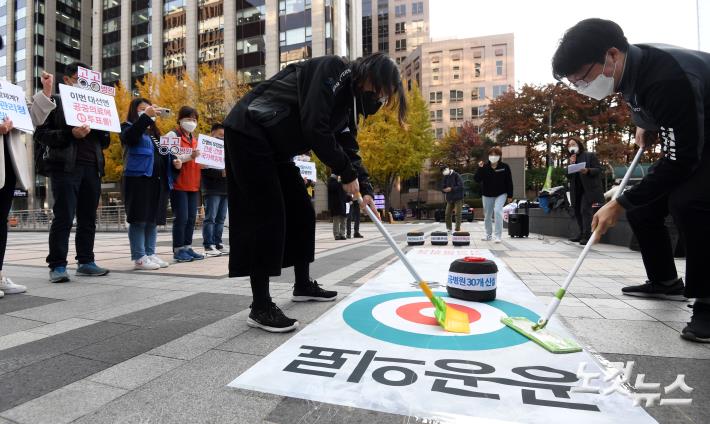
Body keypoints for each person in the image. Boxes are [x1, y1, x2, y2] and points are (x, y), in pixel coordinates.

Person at [552, 18, 710, 342]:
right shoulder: (631, 73)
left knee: (690, 202)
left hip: (703, 142)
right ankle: (665, 280)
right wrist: (646, 123)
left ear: (611, 55)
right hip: (696, 135)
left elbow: (682, 161)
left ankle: (707, 306)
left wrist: (618, 203)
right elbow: (655, 111)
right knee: (644, 206)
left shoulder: (666, 78)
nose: (583, 87)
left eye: (583, 78)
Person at [223, 52, 405, 332]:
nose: (379, 97)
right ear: (370, 75)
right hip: (249, 131)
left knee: (302, 213)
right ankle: (260, 306)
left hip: (276, 147)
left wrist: (364, 186)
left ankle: (303, 284)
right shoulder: (335, 69)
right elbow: (315, 126)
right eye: (380, 89)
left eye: (384, 95)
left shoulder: (349, 104)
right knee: (267, 216)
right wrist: (345, 172)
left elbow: (347, 145)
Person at [34, 62, 111, 283]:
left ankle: (86, 261)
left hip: (92, 168)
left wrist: (102, 128)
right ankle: (57, 265)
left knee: (88, 218)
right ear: (67, 79)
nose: (84, 84)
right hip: (65, 167)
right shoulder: (56, 102)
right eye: (80, 79)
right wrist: (71, 134)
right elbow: (41, 134)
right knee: (64, 216)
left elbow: (103, 142)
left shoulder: (97, 103)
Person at [0, 70, 57, 296]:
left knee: (0, 222)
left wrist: (46, 91)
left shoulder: (8, 88)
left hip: (8, 166)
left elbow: (32, 118)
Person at [120, 98, 174, 270]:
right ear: (133, 110)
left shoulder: (154, 133)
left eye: (149, 108)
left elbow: (162, 156)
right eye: (142, 109)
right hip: (138, 179)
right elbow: (129, 138)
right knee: (138, 219)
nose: (146, 111)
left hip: (156, 180)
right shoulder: (127, 126)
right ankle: (139, 257)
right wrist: (146, 118)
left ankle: (150, 253)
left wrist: (176, 162)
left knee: (152, 219)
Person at [165, 106, 204, 263]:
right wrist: (190, 156)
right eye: (188, 119)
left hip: (193, 184)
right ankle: (178, 249)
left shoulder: (195, 140)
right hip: (178, 184)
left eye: (194, 120)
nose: (191, 122)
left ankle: (187, 246)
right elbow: (168, 156)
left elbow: (198, 161)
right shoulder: (172, 135)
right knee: (181, 217)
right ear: (180, 119)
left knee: (191, 218)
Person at [566, 137, 604, 245]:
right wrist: (571, 164)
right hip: (575, 190)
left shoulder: (589, 156)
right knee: (577, 211)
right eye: (569, 145)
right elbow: (567, 175)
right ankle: (581, 233)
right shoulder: (571, 159)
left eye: (573, 144)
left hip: (588, 190)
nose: (571, 147)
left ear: (578, 145)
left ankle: (587, 236)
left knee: (585, 211)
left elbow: (598, 170)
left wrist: (587, 170)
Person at [474, 147, 513, 243]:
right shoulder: (485, 167)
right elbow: (477, 179)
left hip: (501, 193)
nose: (493, 157)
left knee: (498, 211)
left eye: (495, 155)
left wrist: (510, 195)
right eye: (491, 154)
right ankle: (488, 234)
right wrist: (480, 168)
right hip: (487, 194)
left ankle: (498, 236)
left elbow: (509, 181)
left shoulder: (505, 167)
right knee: (487, 215)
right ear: (488, 156)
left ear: (499, 156)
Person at [201, 123, 228, 257]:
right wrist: (221, 173)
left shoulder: (227, 149)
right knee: (210, 217)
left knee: (221, 218)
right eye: (220, 135)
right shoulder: (206, 147)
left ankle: (218, 242)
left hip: (225, 188)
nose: (222, 138)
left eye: (224, 136)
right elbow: (203, 168)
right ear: (212, 134)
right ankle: (208, 244)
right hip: (211, 188)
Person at [440, 166, 464, 233]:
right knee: (447, 213)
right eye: (442, 172)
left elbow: (461, 186)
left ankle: (457, 229)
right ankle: (449, 228)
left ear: (447, 169)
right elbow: (442, 187)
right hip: (449, 198)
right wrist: (444, 190)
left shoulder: (456, 175)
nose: (443, 172)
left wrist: (451, 188)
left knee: (457, 213)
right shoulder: (445, 177)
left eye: (444, 170)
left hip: (458, 198)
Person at [327, 174, 348, 240]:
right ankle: (336, 234)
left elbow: (345, 190)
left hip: (343, 202)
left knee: (343, 219)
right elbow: (332, 188)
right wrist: (339, 182)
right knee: (336, 219)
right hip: (336, 204)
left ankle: (342, 234)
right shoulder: (331, 181)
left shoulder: (342, 181)